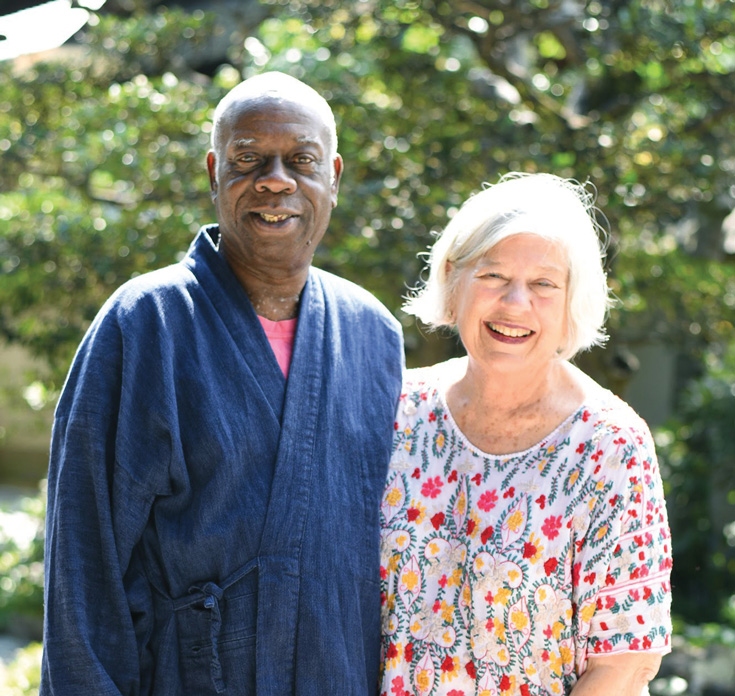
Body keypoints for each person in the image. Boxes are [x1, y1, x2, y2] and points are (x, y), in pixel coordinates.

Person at [41, 72, 404, 695]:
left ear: (334, 177)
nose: (275, 180)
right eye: (248, 159)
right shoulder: (144, 325)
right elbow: (84, 567)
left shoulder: (373, 335)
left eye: (301, 160)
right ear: (214, 171)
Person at [379, 173, 672, 695]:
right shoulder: (394, 409)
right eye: (492, 275)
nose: (515, 303)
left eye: (543, 284)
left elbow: (624, 666)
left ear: (570, 303)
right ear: (452, 280)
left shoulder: (610, 446)